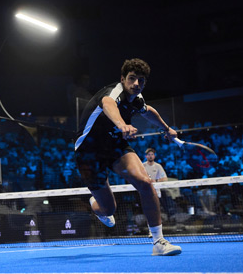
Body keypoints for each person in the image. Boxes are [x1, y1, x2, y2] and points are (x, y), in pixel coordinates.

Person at [74, 58, 181, 256]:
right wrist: (122, 124)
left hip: (115, 145)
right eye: (132, 79)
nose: (136, 84)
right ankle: (96, 206)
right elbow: (107, 104)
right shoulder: (113, 93)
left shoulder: (137, 100)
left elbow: (148, 111)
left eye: (141, 80)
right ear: (123, 79)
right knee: (109, 210)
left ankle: (158, 242)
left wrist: (166, 129)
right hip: (89, 152)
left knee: (145, 182)